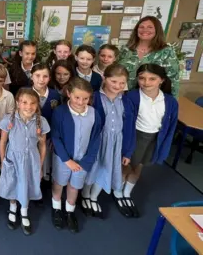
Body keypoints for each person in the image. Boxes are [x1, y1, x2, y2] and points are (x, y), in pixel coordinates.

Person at [115, 63, 178, 218]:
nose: (146, 82)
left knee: (139, 167)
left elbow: (170, 125)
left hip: (154, 138)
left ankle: (127, 193)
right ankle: (118, 193)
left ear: (161, 80)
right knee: (126, 166)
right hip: (134, 136)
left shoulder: (169, 101)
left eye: (152, 78)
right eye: (142, 78)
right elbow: (126, 122)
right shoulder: (132, 96)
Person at [82, 64, 134, 218]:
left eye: (122, 83)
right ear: (105, 79)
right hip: (97, 141)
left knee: (107, 168)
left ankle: (94, 197)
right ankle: (85, 195)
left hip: (116, 143)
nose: (118, 86)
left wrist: (128, 151)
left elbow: (129, 128)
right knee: (92, 168)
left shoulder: (126, 101)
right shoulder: (95, 98)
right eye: (114, 82)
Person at [51, 77, 102, 233]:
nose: (81, 102)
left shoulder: (94, 114)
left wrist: (87, 161)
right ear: (68, 93)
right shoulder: (60, 112)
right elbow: (55, 137)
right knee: (59, 183)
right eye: (77, 97)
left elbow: (96, 139)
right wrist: (67, 160)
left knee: (74, 187)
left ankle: (70, 211)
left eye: (85, 98)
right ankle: (56, 208)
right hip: (63, 159)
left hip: (83, 161)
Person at [0, 88, 50, 235]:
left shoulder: (41, 122)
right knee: (13, 183)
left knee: (26, 184)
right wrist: (2, 161)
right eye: (24, 102)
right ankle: (13, 208)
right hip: (13, 158)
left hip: (31, 160)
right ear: (18, 103)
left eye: (33, 103)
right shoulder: (9, 119)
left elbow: (43, 145)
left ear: (37, 105)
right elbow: (2, 141)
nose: (29, 106)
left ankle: (24, 210)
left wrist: (40, 165)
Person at [119, 16, 180, 97]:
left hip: (152, 99)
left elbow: (174, 79)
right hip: (124, 96)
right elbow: (117, 72)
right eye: (141, 27)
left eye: (150, 27)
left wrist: (172, 103)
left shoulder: (166, 51)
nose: (145, 30)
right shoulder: (126, 49)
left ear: (157, 30)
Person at [30, 63, 61, 191]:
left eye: (45, 76)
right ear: (31, 76)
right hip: (30, 137)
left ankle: (42, 186)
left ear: (49, 78)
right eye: (37, 76)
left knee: (45, 162)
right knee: (30, 163)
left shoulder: (54, 95)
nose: (41, 80)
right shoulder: (25, 93)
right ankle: (31, 187)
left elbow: (57, 119)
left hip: (47, 138)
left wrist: (54, 137)